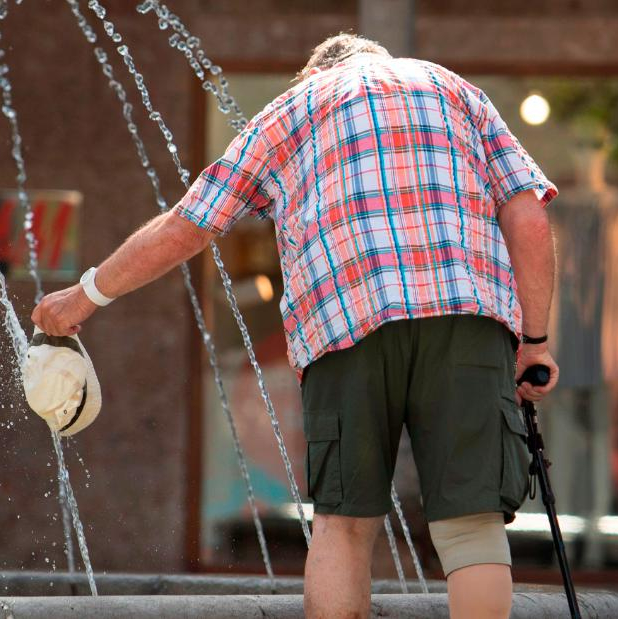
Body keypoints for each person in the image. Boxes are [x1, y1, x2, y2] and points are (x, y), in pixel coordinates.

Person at [32, 33, 559, 619]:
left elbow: (189, 226)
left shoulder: (293, 109)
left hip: (345, 326)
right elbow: (527, 212)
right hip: (467, 316)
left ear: (312, 73)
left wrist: (84, 296)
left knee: (343, 523)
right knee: (471, 525)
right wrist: (533, 341)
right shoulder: (455, 90)